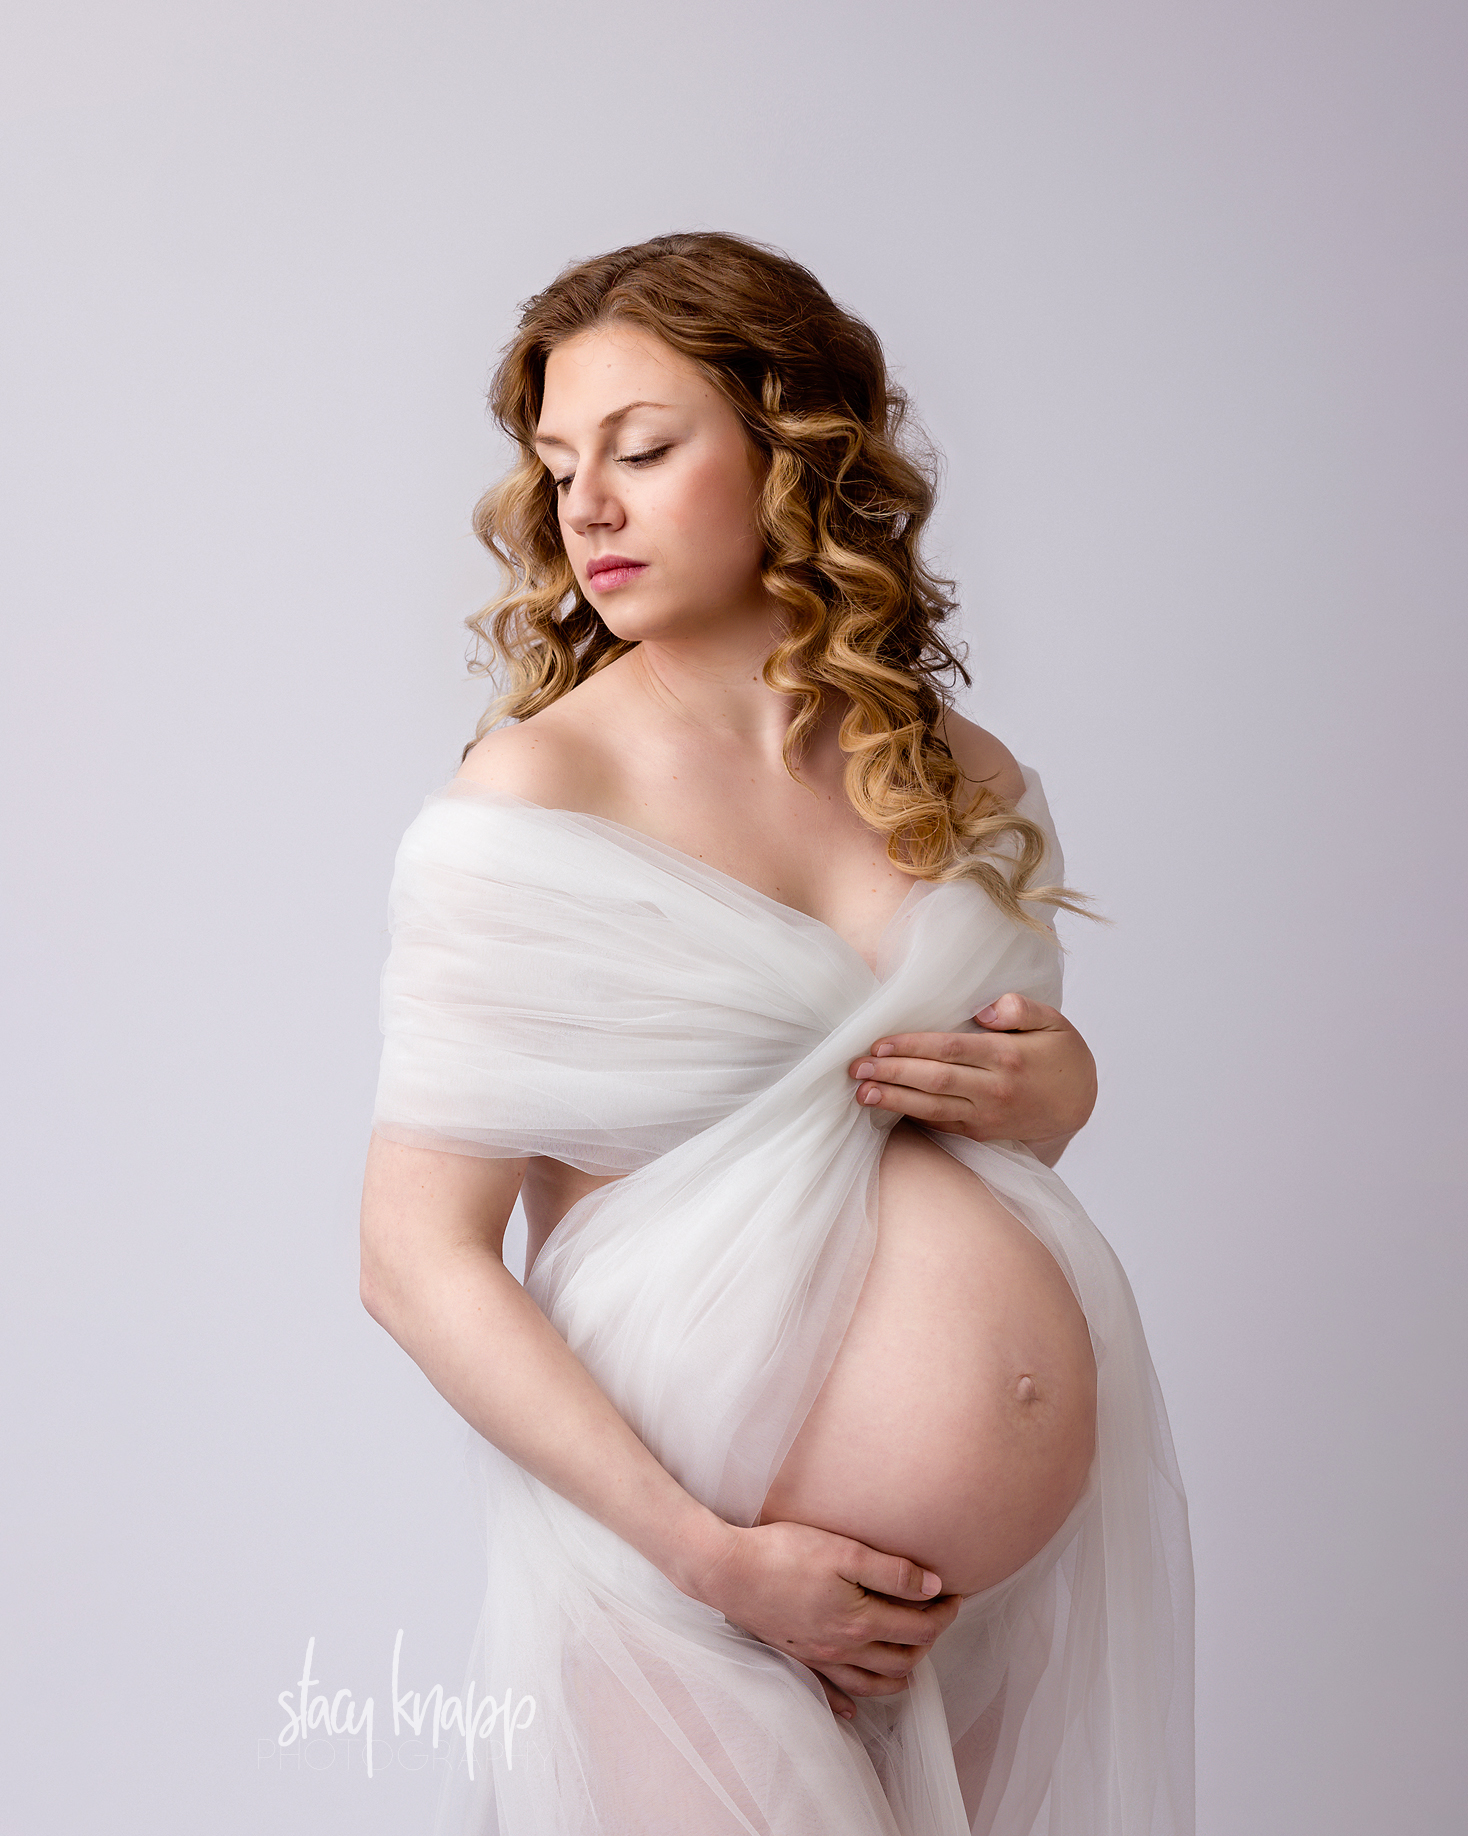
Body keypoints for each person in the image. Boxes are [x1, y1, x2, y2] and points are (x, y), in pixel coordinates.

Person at [360, 231, 1193, 1835]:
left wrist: (1061, 1088)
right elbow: (414, 1257)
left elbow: (975, 1133)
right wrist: (720, 1561)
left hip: (996, 1611)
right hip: (691, 1580)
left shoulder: (962, 776)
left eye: (644, 449)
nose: (583, 507)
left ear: (795, 452)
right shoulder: (539, 795)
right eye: (555, 464)